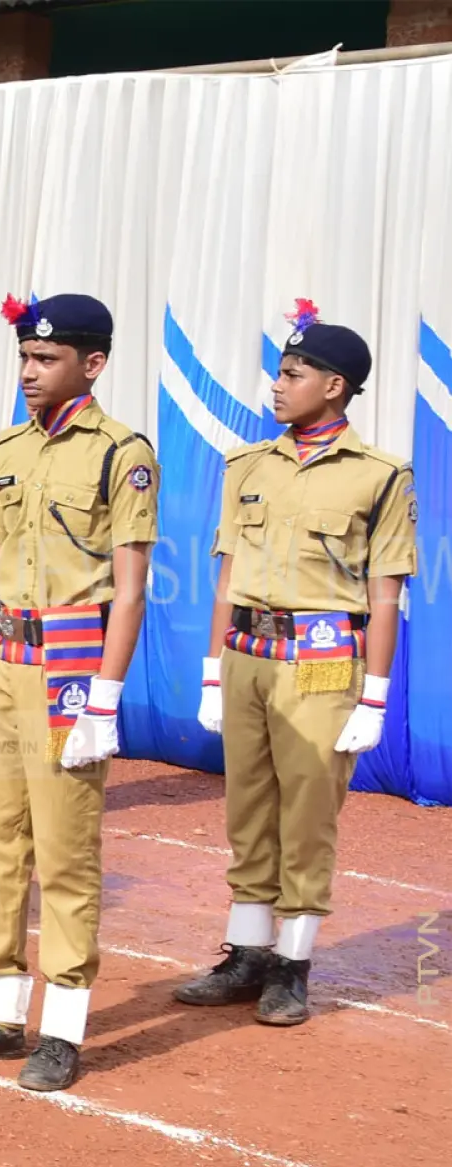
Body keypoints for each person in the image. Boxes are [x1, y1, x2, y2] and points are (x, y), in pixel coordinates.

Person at [0, 292, 154, 1093]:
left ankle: (61, 1028)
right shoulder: (6, 448)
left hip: (66, 670)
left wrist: (103, 699)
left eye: (45, 359)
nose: (28, 371)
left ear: (90, 364)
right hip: (1, 664)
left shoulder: (120, 453)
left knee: (63, 852)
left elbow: (128, 590)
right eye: (24, 357)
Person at [173, 302, 413, 1027]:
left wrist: (373, 695)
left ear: (333, 386)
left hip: (320, 664)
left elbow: (384, 592)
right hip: (247, 654)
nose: (275, 386)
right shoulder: (247, 465)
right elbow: (225, 573)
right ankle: (246, 953)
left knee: (306, 814)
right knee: (248, 806)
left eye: (291, 373)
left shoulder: (379, 475)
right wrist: (212, 669)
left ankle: (292, 964)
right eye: (279, 372)